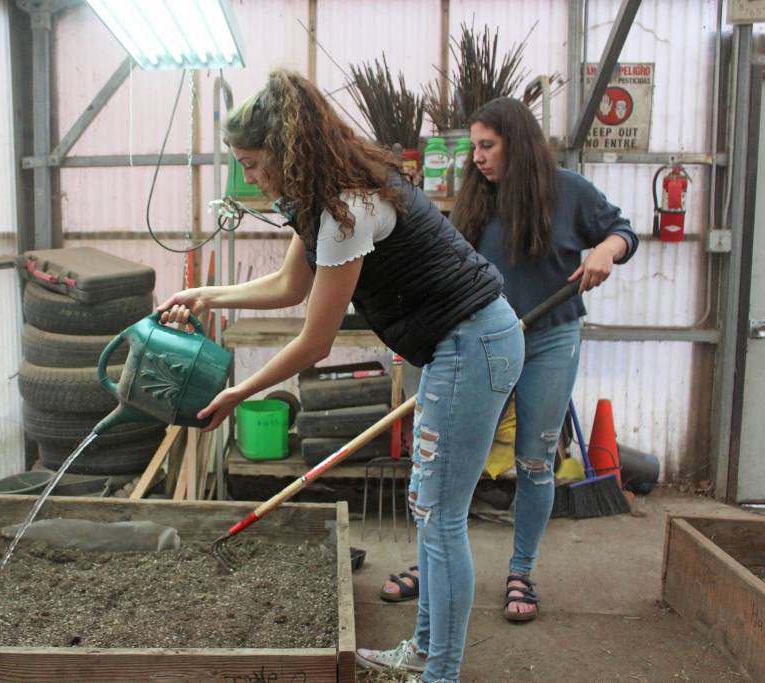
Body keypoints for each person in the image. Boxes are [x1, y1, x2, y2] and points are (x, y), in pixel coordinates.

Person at [159, 68, 524, 683]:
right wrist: (206, 295)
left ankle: (440, 673)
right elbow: (287, 285)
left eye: (252, 163)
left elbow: (315, 341)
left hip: (474, 345)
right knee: (427, 508)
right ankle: (424, 655)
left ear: (284, 151)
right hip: (454, 347)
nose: (249, 177)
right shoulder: (321, 197)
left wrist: (240, 390)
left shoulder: (348, 207)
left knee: (441, 516)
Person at [374, 96, 638, 633]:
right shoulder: (472, 201)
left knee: (535, 460)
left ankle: (521, 571)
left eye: (487, 146)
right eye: (473, 147)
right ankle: (435, 565)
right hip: (481, 345)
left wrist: (606, 250)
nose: (477, 158)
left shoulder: (569, 191)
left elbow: (623, 231)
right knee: (445, 461)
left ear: (516, 143)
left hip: (548, 339)